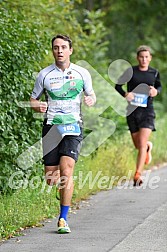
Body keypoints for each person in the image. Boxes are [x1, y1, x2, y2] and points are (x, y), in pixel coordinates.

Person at [30, 34, 96, 233]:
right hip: (51, 127)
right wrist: (37, 106)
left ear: (70, 50)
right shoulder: (44, 75)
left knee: (67, 170)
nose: (59, 51)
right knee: (51, 178)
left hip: (73, 126)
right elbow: (33, 99)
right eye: (56, 47)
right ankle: (62, 186)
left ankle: (63, 219)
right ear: (53, 51)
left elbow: (91, 93)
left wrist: (91, 99)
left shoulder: (82, 73)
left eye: (63, 47)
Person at [115, 45, 162, 186]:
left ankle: (138, 174)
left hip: (148, 111)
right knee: (138, 145)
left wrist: (156, 92)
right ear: (137, 58)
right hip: (132, 111)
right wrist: (125, 94)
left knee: (141, 143)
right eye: (141, 57)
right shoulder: (131, 71)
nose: (144, 59)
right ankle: (147, 148)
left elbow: (159, 86)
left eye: (147, 57)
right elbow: (118, 85)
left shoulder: (154, 73)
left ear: (150, 58)